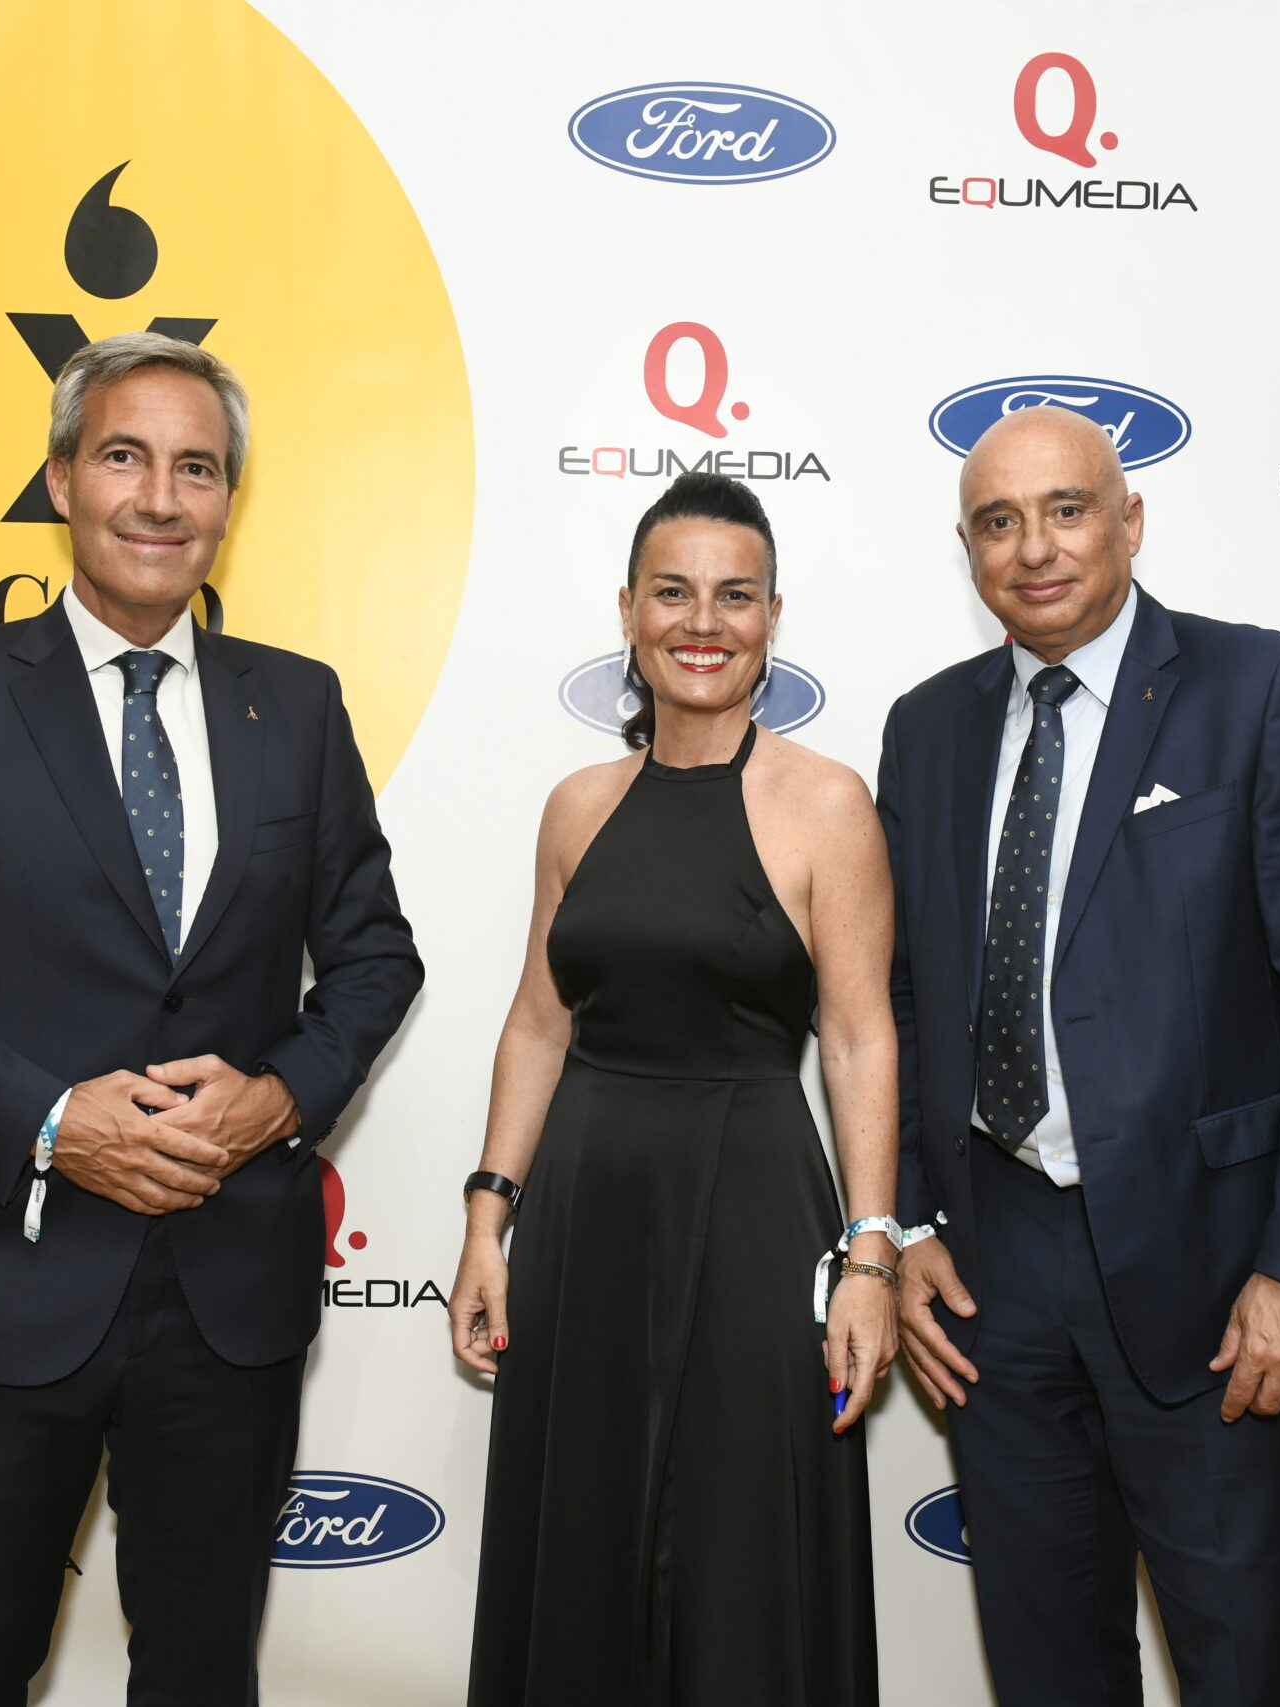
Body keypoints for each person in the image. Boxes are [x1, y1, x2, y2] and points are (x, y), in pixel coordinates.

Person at [0, 331, 422, 1705]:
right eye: (125, 457)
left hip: (228, 1301)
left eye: (196, 468)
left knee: (201, 1678)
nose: (158, 497)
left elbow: (376, 956)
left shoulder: (296, 706)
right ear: (60, 479)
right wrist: (51, 1118)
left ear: (229, 499)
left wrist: (278, 1098)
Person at [879, 407, 1280, 1706]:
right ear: (966, 548)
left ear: (1129, 521)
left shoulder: (1261, 690)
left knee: (1249, 1671)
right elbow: (901, 997)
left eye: (1066, 509)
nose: (1034, 548)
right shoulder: (927, 729)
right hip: (995, 1282)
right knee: (1047, 1671)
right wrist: (909, 1217)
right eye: (998, 522)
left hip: (1219, 1280)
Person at [450, 472, 898, 1707]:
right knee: (582, 1531)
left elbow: (858, 1038)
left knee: (740, 1542)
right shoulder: (576, 807)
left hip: (753, 1207)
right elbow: (539, 1023)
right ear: (628, 612)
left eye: (735, 596)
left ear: (772, 619)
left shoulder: (827, 805)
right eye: (673, 592)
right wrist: (488, 1219)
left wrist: (869, 1255)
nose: (704, 622)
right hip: (583, 1209)